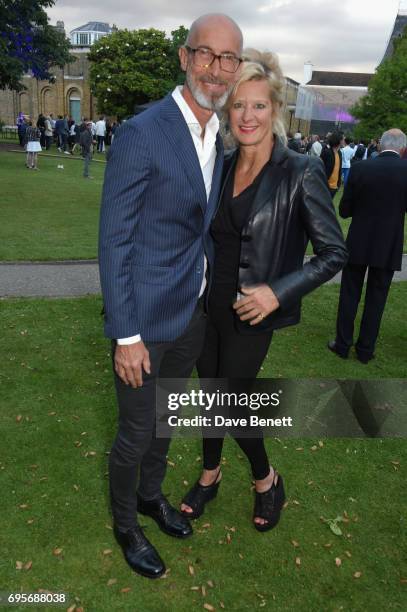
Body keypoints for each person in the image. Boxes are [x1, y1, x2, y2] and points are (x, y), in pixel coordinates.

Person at [99, 13, 243, 579]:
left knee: (164, 421)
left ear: (237, 66)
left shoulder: (219, 135)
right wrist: (125, 335)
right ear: (185, 58)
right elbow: (115, 240)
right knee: (136, 430)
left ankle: (149, 497)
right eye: (205, 54)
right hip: (143, 321)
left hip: (192, 315)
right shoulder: (145, 130)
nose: (216, 67)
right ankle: (125, 525)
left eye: (228, 57)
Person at [180, 50, 347, 531]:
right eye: (238, 105)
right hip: (207, 303)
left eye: (258, 106)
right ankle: (209, 475)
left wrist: (278, 292)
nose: (247, 116)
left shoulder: (300, 171)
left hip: (254, 311)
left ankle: (265, 479)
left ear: (274, 110)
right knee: (209, 394)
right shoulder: (222, 164)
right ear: (227, 110)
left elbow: (334, 252)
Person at [328, 129, 407, 364]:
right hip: (389, 242)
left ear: (381, 145)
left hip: (359, 240)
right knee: (377, 297)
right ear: (402, 148)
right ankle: (365, 349)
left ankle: (342, 344)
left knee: (350, 292)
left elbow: (345, 209)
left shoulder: (362, 168)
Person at [320, 131, 344, 197]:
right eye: (342, 139)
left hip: (334, 187)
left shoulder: (339, 153)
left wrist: (338, 184)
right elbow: (320, 168)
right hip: (325, 186)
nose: (344, 141)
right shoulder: (326, 152)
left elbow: (339, 169)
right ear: (338, 140)